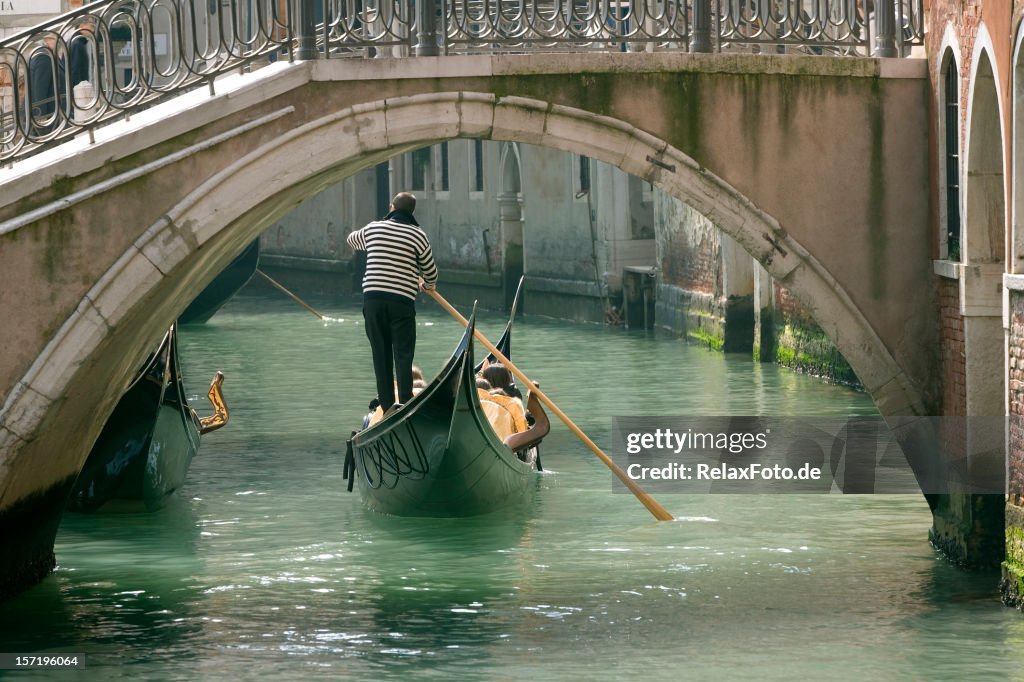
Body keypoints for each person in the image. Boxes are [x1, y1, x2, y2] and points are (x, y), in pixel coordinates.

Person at [346, 191, 438, 414]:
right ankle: (405, 402)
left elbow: (351, 239)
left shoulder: (374, 228)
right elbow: (430, 271)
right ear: (411, 212)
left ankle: (387, 407)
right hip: (402, 302)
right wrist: (429, 286)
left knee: (381, 352)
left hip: (374, 300)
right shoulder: (418, 235)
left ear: (392, 208)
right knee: (403, 354)